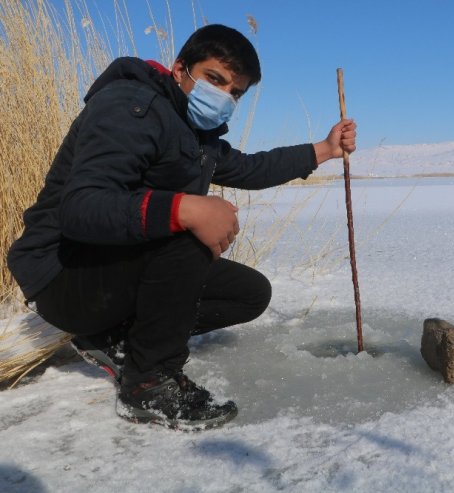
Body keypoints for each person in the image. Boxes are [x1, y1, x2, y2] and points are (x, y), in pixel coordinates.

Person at [7, 24, 357, 430]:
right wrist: (184, 209)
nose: (224, 96)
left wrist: (324, 150)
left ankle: (118, 340)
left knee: (249, 294)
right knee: (187, 233)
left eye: (235, 92)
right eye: (214, 79)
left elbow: (248, 167)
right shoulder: (129, 106)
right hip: (62, 276)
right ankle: (148, 384)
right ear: (179, 69)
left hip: (104, 274)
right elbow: (82, 208)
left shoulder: (194, 134)